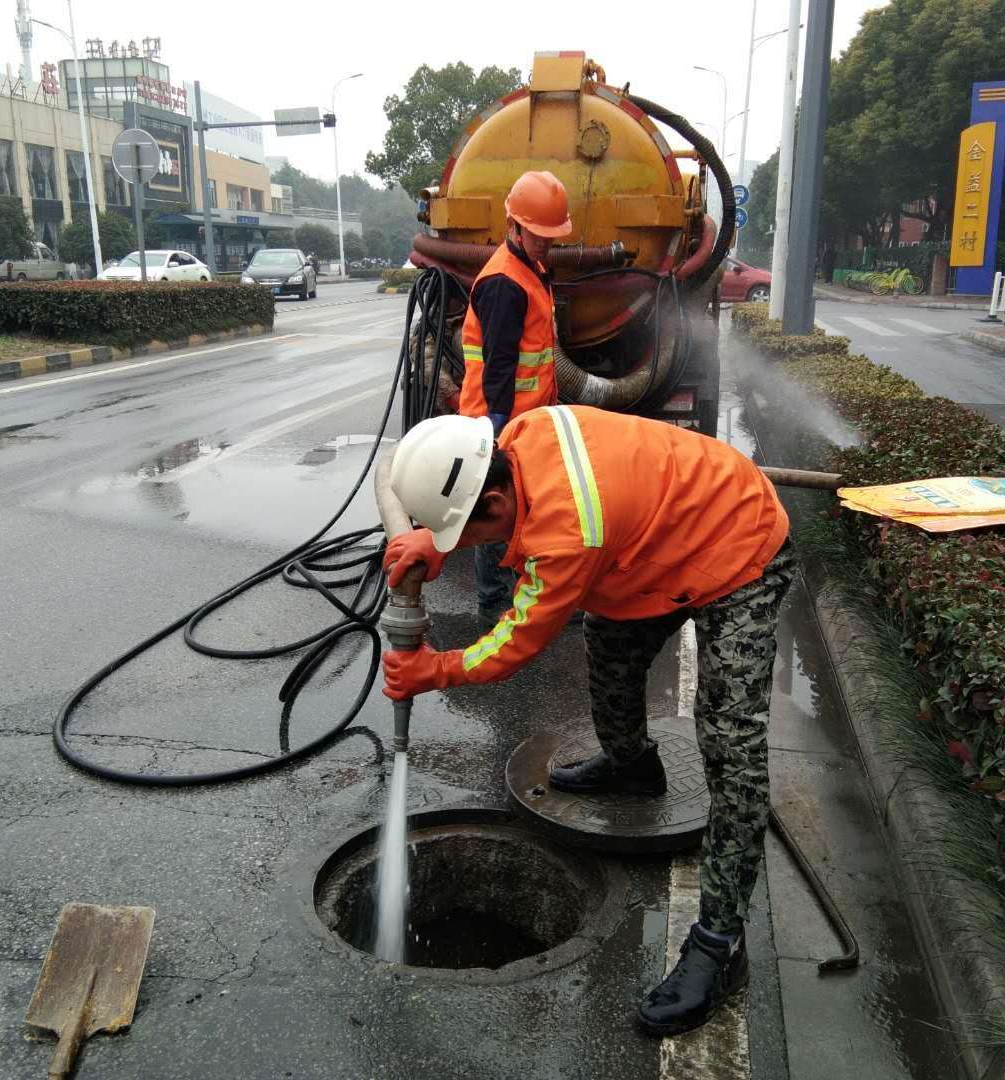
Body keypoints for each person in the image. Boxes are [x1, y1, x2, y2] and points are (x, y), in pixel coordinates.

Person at [380, 406, 795, 1037]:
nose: (469, 546)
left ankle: (718, 946)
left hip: (737, 545)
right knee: (610, 647)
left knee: (730, 742)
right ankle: (634, 771)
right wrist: (436, 542)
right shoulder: (520, 436)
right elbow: (515, 526)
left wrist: (432, 671)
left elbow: (512, 645)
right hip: (655, 546)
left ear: (494, 500)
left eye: (467, 533)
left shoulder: (572, 532)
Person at [458, 170, 571, 627]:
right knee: (497, 505)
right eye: (538, 233)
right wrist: (496, 429)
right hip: (500, 419)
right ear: (515, 226)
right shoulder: (505, 282)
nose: (545, 242)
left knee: (529, 506)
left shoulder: (531, 269)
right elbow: (500, 362)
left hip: (529, 418)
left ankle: (527, 595)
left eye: (551, 235)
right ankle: (492, 604)